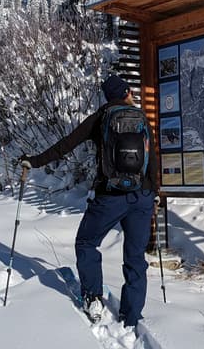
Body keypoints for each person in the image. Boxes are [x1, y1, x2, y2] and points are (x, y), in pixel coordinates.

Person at [21, 74, 158, 328]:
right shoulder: (140, 119)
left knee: (86, 242)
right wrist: (154, 192)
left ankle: (94, 299)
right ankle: (132, 315)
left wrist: (35, 160)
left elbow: (66, 145)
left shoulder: (101, 118)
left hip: (110, 196)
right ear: (127, 92)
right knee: (135, 256)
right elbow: (153, 158)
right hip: (141, 197)